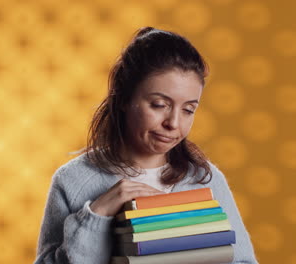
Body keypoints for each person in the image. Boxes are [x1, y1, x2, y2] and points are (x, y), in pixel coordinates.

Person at [34, 27, 258, 264]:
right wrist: (97, 214)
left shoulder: (206, 179)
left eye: (188, 110)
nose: (173, 123)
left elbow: (242, 261)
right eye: (159, 105)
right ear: (123, 98)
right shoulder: (73, 180)